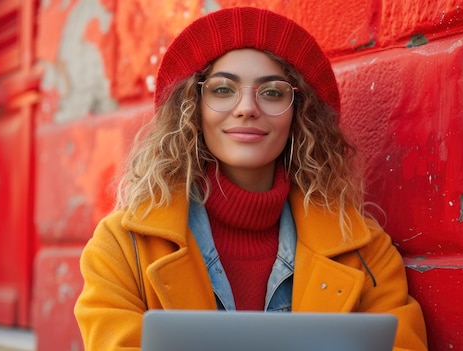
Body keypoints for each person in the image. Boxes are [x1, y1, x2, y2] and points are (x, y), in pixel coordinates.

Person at [74, 6, 427, 351]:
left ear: (299, 115)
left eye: (272, 92)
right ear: (192, 108)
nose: (246, 107)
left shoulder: (365, 252)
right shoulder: (122, 247)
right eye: (223, 89)